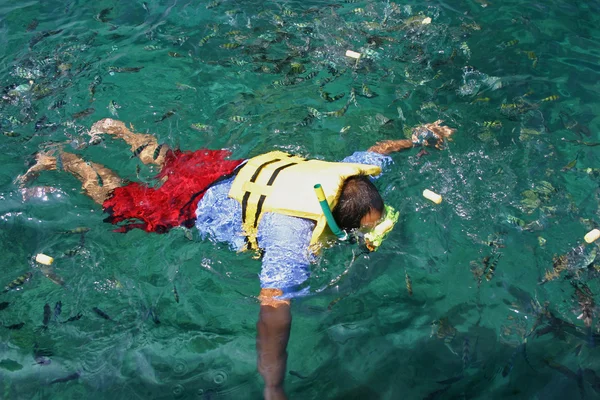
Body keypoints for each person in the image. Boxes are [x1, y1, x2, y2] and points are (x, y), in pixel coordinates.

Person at [17, 118, 455, 399]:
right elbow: (273, 308)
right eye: (363, 229)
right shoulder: (292, 236)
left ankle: (120, 130)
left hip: (230, 169)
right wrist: (273, 384)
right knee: (120, 202)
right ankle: (66, 160)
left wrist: (418, 137)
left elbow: (379, 149)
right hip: (196, 205)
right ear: (332, 221)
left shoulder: (350, 179)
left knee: (168, 160)